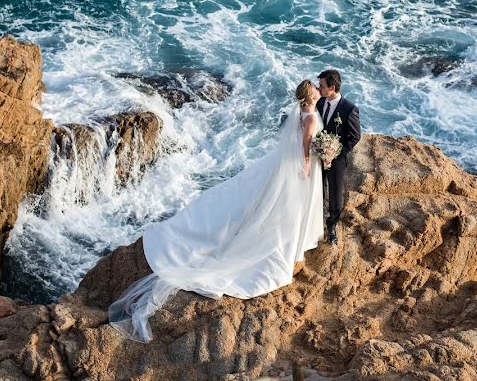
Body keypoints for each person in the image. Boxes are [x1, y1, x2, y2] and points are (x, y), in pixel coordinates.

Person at [108, 80, 325, 343]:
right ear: (310, 95)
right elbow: (305, 147)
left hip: (287, 164)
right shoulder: (311, 117)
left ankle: (287, 241)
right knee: (287, 206)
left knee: (274, 201)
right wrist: (308, 168)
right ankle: (288, 245)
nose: (317, 88)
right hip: (300, 167)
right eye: (315, 87)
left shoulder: (303, 113)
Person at [316, 69, 361, 245]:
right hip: (317, 156)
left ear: (332, 87)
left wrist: (336, 151)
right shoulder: (319, 102)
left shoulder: (349, 109)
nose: (319, 89)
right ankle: (315, 222)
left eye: (322, 86)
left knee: (335, 194)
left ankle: (332, 225)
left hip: (337, 159)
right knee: (317, 190)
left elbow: (355, 136)